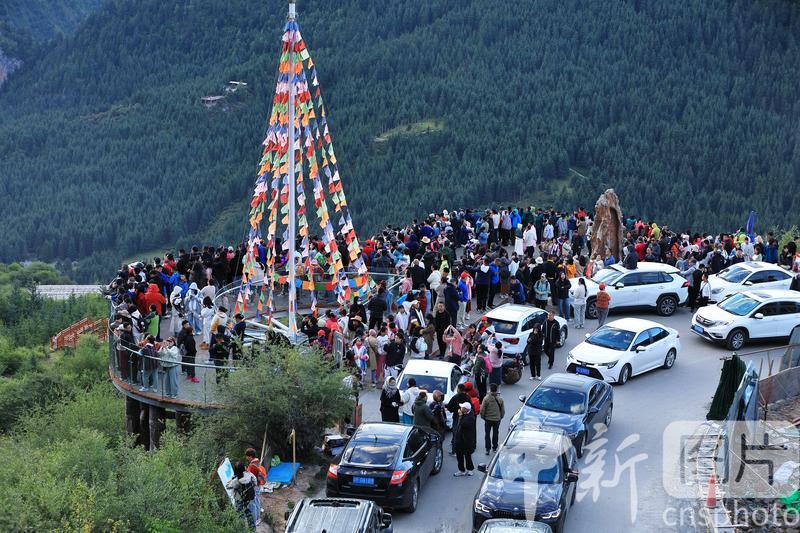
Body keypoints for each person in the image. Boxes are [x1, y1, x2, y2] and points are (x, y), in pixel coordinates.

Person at [226, 461, 257, 530]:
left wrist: (231, 479)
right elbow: (255, 482)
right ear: (243, 468)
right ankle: (252, 528)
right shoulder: (250, 475)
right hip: (248, 497)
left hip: (239, 499)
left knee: (240, 514)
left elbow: (227, 486)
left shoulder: (236, 481)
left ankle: (242, 529)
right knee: (248, 512)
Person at [480, 383, 505, 455]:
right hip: (497, 419)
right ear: (496, 390)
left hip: (488, 419)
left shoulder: (486, 399)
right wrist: (500, 417)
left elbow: (482, 410)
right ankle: (494, 447)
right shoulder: (500, 399)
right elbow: (503, 411)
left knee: (487, 434)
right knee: (495, 433)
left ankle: (487, 449)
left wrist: (483, 417)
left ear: (490, 389)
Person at [453, 402, 476, 477]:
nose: (460, 408)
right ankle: (461, 470)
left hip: (467, 440)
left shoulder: (470, 417)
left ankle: (470, 469)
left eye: (462, 407)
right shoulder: (465, 414)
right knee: (459, 456)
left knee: (467, 455)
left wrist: (460, 416)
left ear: (466, 409)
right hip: (459, 439)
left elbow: (462, 424)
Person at [446, 383, 470, 455]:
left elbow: (449, 407)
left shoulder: (455, 397)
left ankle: (454, 451)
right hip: (466, 417)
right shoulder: (467, 397)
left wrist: (455, 410)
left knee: (456, 434)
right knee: (464, 434)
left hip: (457, 417)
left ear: (458, 389)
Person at [245, 448, 267, 527]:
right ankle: (258, 518)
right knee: (257, 500)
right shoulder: (257, 462)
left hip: (254, 486)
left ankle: (256, 519)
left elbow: (250, 477)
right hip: (258, 485)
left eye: (247, 456)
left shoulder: (252, 466)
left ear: (250, 456)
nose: (246, 458)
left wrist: (246, 471)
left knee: (254, 503)